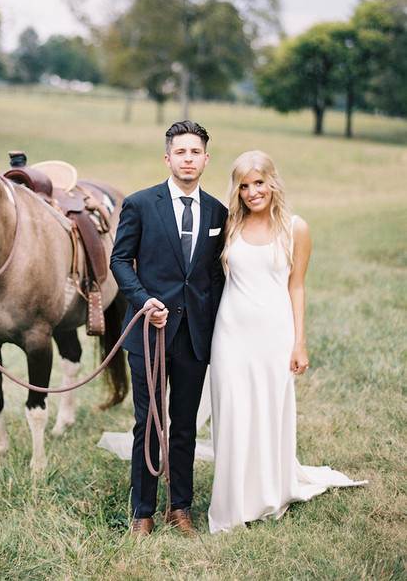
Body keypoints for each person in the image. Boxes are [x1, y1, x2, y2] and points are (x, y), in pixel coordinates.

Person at [208, 150, 367, 533]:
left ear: (272, 181)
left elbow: (297, 287)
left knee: (267, 412)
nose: (252, 192)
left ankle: (265, 492)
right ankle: (230, 502)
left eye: (258, 182)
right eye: (243, 185)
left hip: (274, 335)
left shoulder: (296, 228)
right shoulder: (229, 224)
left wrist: (300, 342)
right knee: (231, 413)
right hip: (229, 334)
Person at [110, 120, 228, 537]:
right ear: (168, 158)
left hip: (195, 337)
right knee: (148, 422)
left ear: (205, 159)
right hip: (150, 334)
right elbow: (120, 261)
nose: (188, 159)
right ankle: (142, 510)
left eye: (195, 152)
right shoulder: (141, 204)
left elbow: (215, 276)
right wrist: (144, 302)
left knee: (183, 424)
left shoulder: (218, 212)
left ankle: (180, 507)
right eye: (181, 152)